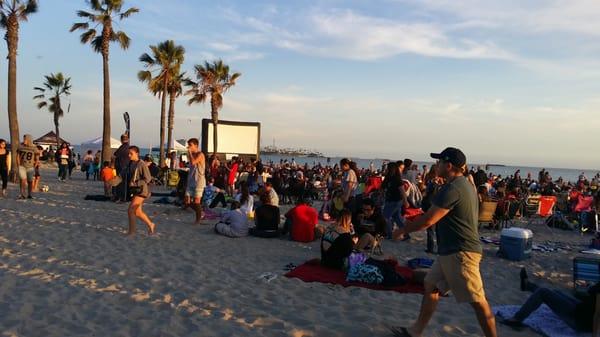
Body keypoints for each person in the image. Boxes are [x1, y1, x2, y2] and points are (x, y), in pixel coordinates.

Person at [392, 147, 497, 337]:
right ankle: (416, 330)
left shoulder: (453, 188)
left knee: (477, 300)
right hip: (450, 251)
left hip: (461, 252)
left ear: (448, 166)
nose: (436, 164)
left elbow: (429, 220)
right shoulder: (464, 184)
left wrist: (402, 230)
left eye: (439, 162)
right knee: (431, 284)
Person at [499, 268, 600, 334]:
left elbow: (598, 313)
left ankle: (517, 319)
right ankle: (528, 286)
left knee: (543, 292)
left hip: (579, 320)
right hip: (582, 310)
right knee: (556, 292)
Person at [126, 146, 156, 236]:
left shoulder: (141, 164)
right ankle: (151, 224)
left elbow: (148, 178)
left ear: (137, 154)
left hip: (141, 191)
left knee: (130, 210)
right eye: (128, 153)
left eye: (131, 153)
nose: (129, 155)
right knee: (137, 212)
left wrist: (136, 183)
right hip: (136, 190)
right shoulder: (131, 163)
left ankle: (132, 232)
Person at [382, 161, 409, 239]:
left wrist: (405, 201)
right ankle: (406, 234)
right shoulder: (388, 178)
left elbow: (402, 191)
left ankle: (389, 235)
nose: (386, 170)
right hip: (390, 200)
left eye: (388, 168)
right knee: (397, 219)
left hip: (396, 201)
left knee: (385, 217)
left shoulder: (397, 179)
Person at [185, 138, 206, 224]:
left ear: (196, 145)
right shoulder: (191, 154)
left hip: (199, 181)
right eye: (188, 145)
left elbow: (193, 162)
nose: (189, 147)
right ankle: (200, 211)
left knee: (197, 201)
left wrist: (189, 152)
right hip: (191, 180)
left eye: (190, 145)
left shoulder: (200, 154)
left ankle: (198, 220)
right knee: (187, 201)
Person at [16, 134, 39, 200]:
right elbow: (17, 155)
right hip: (22, 166)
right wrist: (18, 164)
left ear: (29, 139)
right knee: (22, 180)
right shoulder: (20, 146)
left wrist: (36, 163)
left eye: (25, 139)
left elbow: (37, 156)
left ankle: (29, 194)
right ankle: (22, 194)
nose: (24, 140)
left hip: (30, 167)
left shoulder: (34, 147)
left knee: (30, 181)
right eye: (23, 139)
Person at [113, 134, 130, 202]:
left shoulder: (123, 147)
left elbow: (115, 154)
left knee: (120, 183)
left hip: (121, 167)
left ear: (121, 140)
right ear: (128, 139)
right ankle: (123, 196)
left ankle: (120, 197)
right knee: (124, 183)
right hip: (126, 166)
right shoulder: (128, 147)